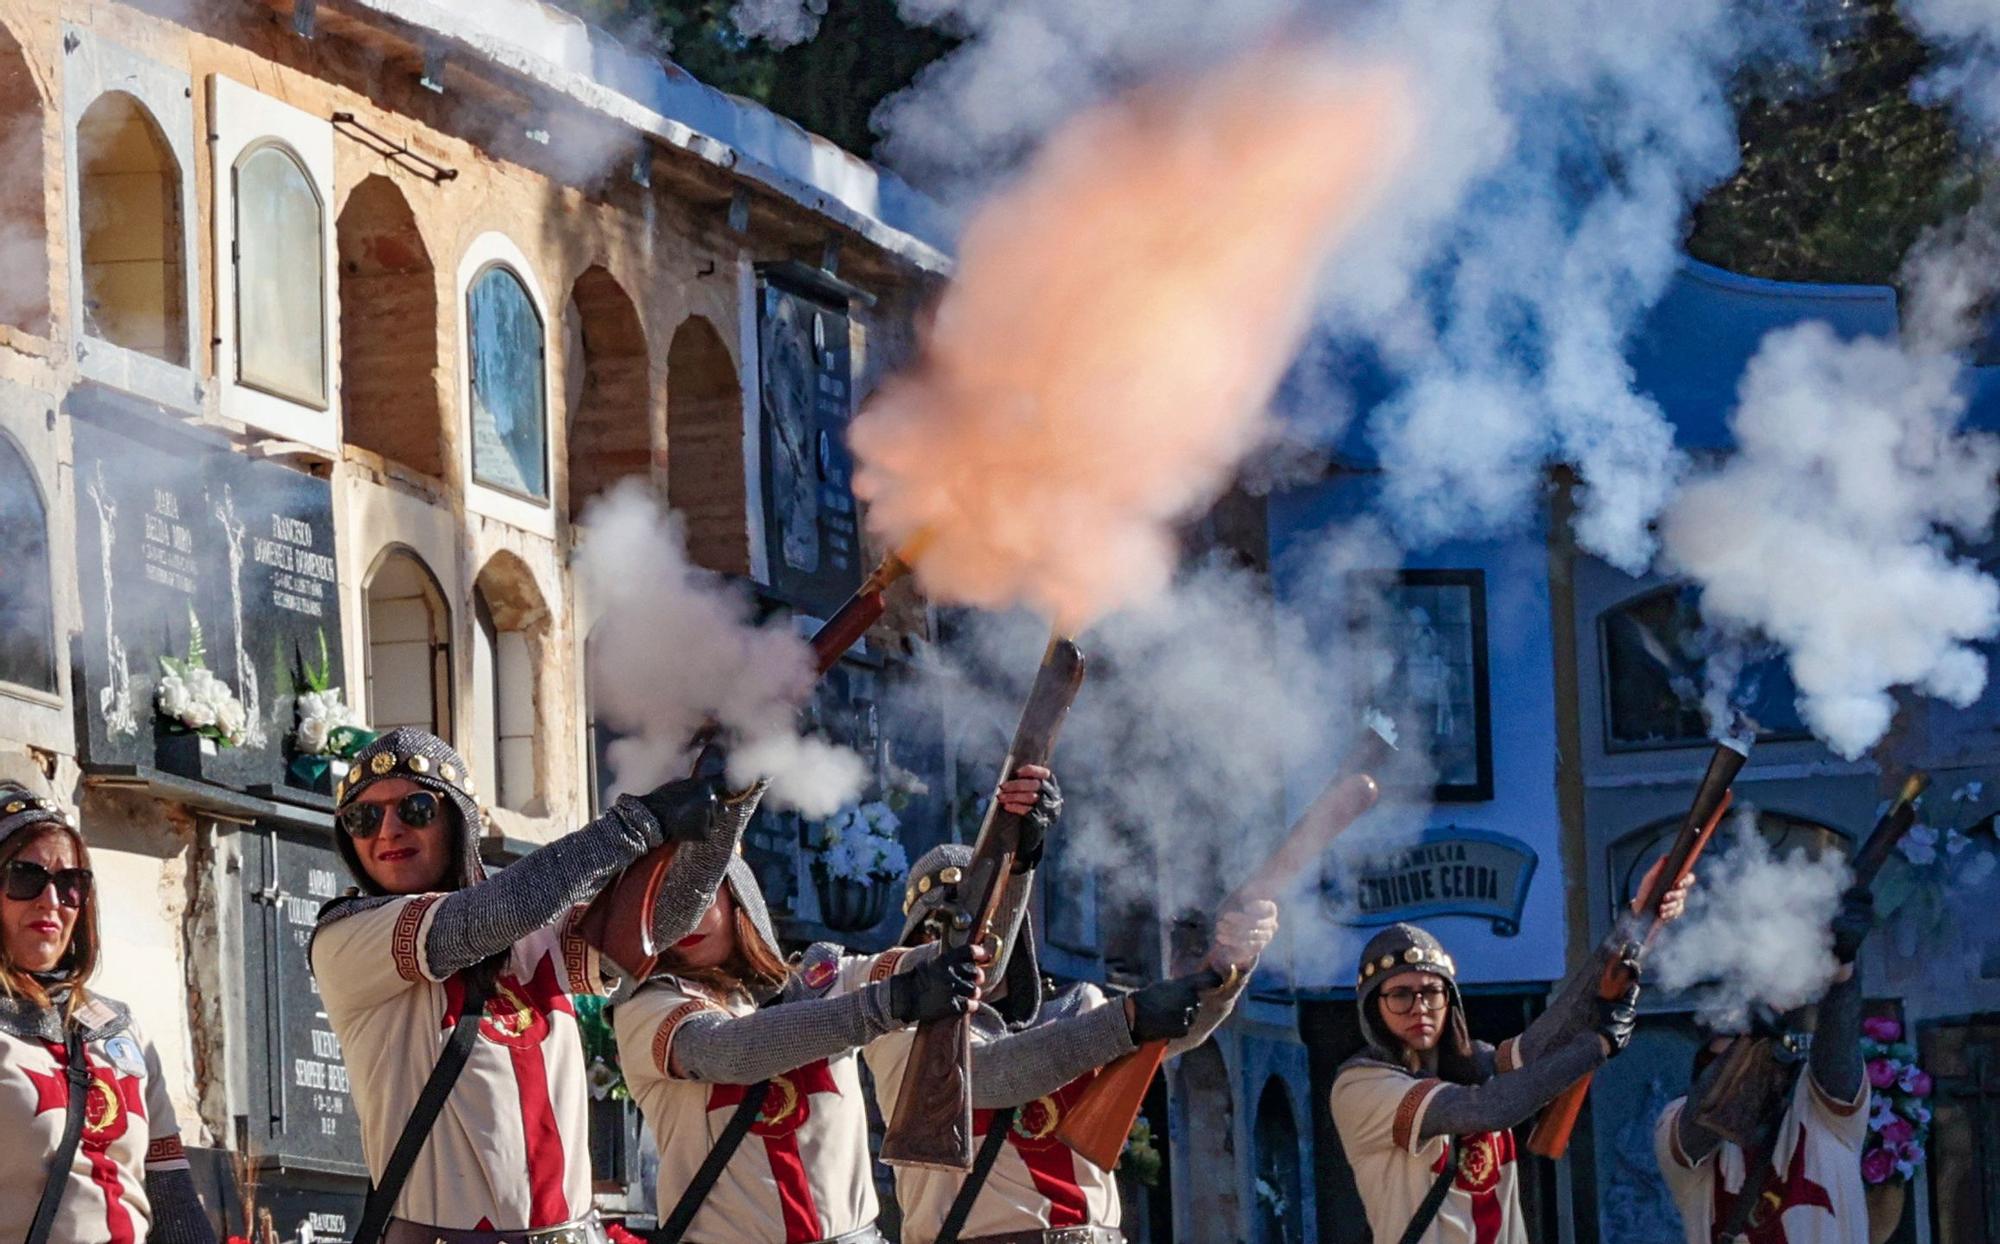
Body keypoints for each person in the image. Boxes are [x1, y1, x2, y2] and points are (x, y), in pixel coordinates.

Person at [311, 727, 750, 1243]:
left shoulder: (530, 932)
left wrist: (734, 797)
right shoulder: (346, 935)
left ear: (456, 820)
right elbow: (485, 917)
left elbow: (664, 920)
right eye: (364, 818)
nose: (387, 831)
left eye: (415, 810)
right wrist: (641, 821)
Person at [612, 766, 1058, 1244]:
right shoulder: (648, 1006)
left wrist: (1016, 861)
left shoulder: (829, 978)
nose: (684, 916)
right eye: (660, 901)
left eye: (700, 894)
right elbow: (725, 1052)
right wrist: (888, 1004)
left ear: (737, 893)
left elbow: (973, 961)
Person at [867, 812, 1279, 1244]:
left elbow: (1179, 1031)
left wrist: (1225, 969)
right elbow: (992, 1075)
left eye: (973, 924)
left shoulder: (1080, 1008)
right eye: (938, 932)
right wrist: (1129, 1019)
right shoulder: (897, 1032)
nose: (959, 947)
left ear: (1008, 930)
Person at [1330, 864, 1692, 1244]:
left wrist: (1638, 921)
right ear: (1374, 1007)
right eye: (1401, 994)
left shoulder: (1476, 1063)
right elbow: (1488, 1108)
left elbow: (1543, 1044)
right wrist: (1597, 1045)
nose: (1419, 1007)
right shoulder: (1360, 1086)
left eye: (1431, 992)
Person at [0, 780, 214, 1244]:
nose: (51, 902)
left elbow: (171, 1195)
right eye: (25, 877)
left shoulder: (119, 1027)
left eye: (70, 884)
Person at [1654, 887, 1874, 1244]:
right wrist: (1760, 1026)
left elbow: (1837, 1051)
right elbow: (1712, 1108)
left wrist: (1843, 970)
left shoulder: (1819, 1110)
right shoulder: (1674, 1127)